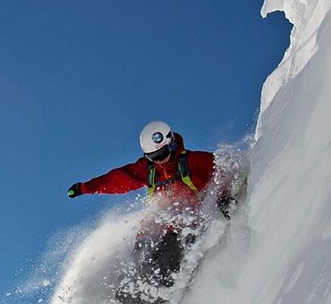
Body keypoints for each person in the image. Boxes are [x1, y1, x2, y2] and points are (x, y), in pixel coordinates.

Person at [66, 121, 237, 292]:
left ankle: (160, 294)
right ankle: (128, 302)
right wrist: (85, 188)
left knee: (168, 251)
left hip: (185, 226)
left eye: (162, 154)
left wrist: (224, 195)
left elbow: (224, 169)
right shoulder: (149, 170)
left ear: (171, 143)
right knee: (135, 267)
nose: (160, 160)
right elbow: (117, 179)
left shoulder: (194, 161)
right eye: (154, 157)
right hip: (154, 229)